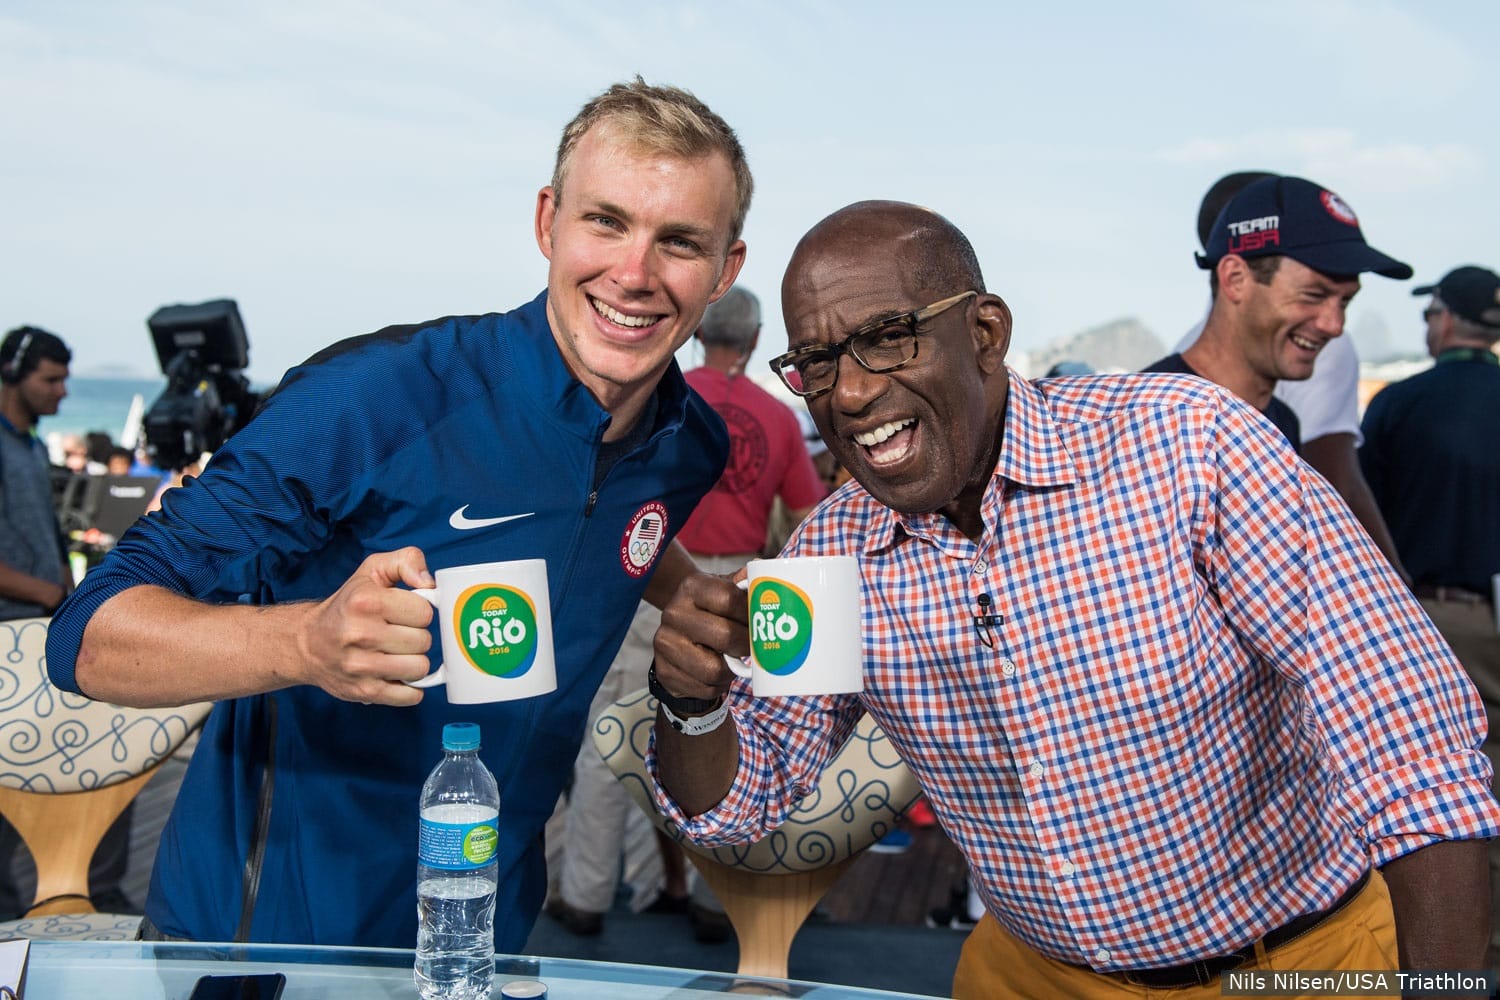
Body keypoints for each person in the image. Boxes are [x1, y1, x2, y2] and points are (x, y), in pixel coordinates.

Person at [646, 200, 1499, 997]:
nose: (852, 393)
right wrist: (690, 705)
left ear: (985, 332)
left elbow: (1418, 759)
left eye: (889, 338)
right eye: (818, 363)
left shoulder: (1189, 449)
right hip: (1031, 975)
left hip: (1296, 963)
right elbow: (741, 803)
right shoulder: (832, 548)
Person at [43, 77, 751, 950]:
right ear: (547, 223)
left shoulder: (690, 445)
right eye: (605, 221)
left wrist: (681, 590)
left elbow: (604, 512)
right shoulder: (372, 401)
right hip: (267, 937)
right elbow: (85, 634)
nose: (634, 274)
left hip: (480, 932)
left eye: (679, 241)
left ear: (726, 270)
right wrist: (302, 642)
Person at [547, 285, 825, 941]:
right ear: (755, 342)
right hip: (736, 595)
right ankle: (711, 900)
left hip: (648, 580)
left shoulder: (656, 405)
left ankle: (585, 894)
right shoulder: (780, 418)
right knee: (731, 744)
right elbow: (808, 522)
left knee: (605, 746)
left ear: (700, 333)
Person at [1359, 264, 1500, 970]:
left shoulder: (1402, 402)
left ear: (1444, 320)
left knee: (1438, 795)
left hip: (1437, 620)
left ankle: (1456, 967)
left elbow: (1359, 518)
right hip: (1480, 610)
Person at [1171, 171, 1408, 577]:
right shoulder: (1157, 418)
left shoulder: (1282, 419)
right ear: (1235, 279)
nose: (1334, 326)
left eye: (1345, 302)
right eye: (1313, 295)